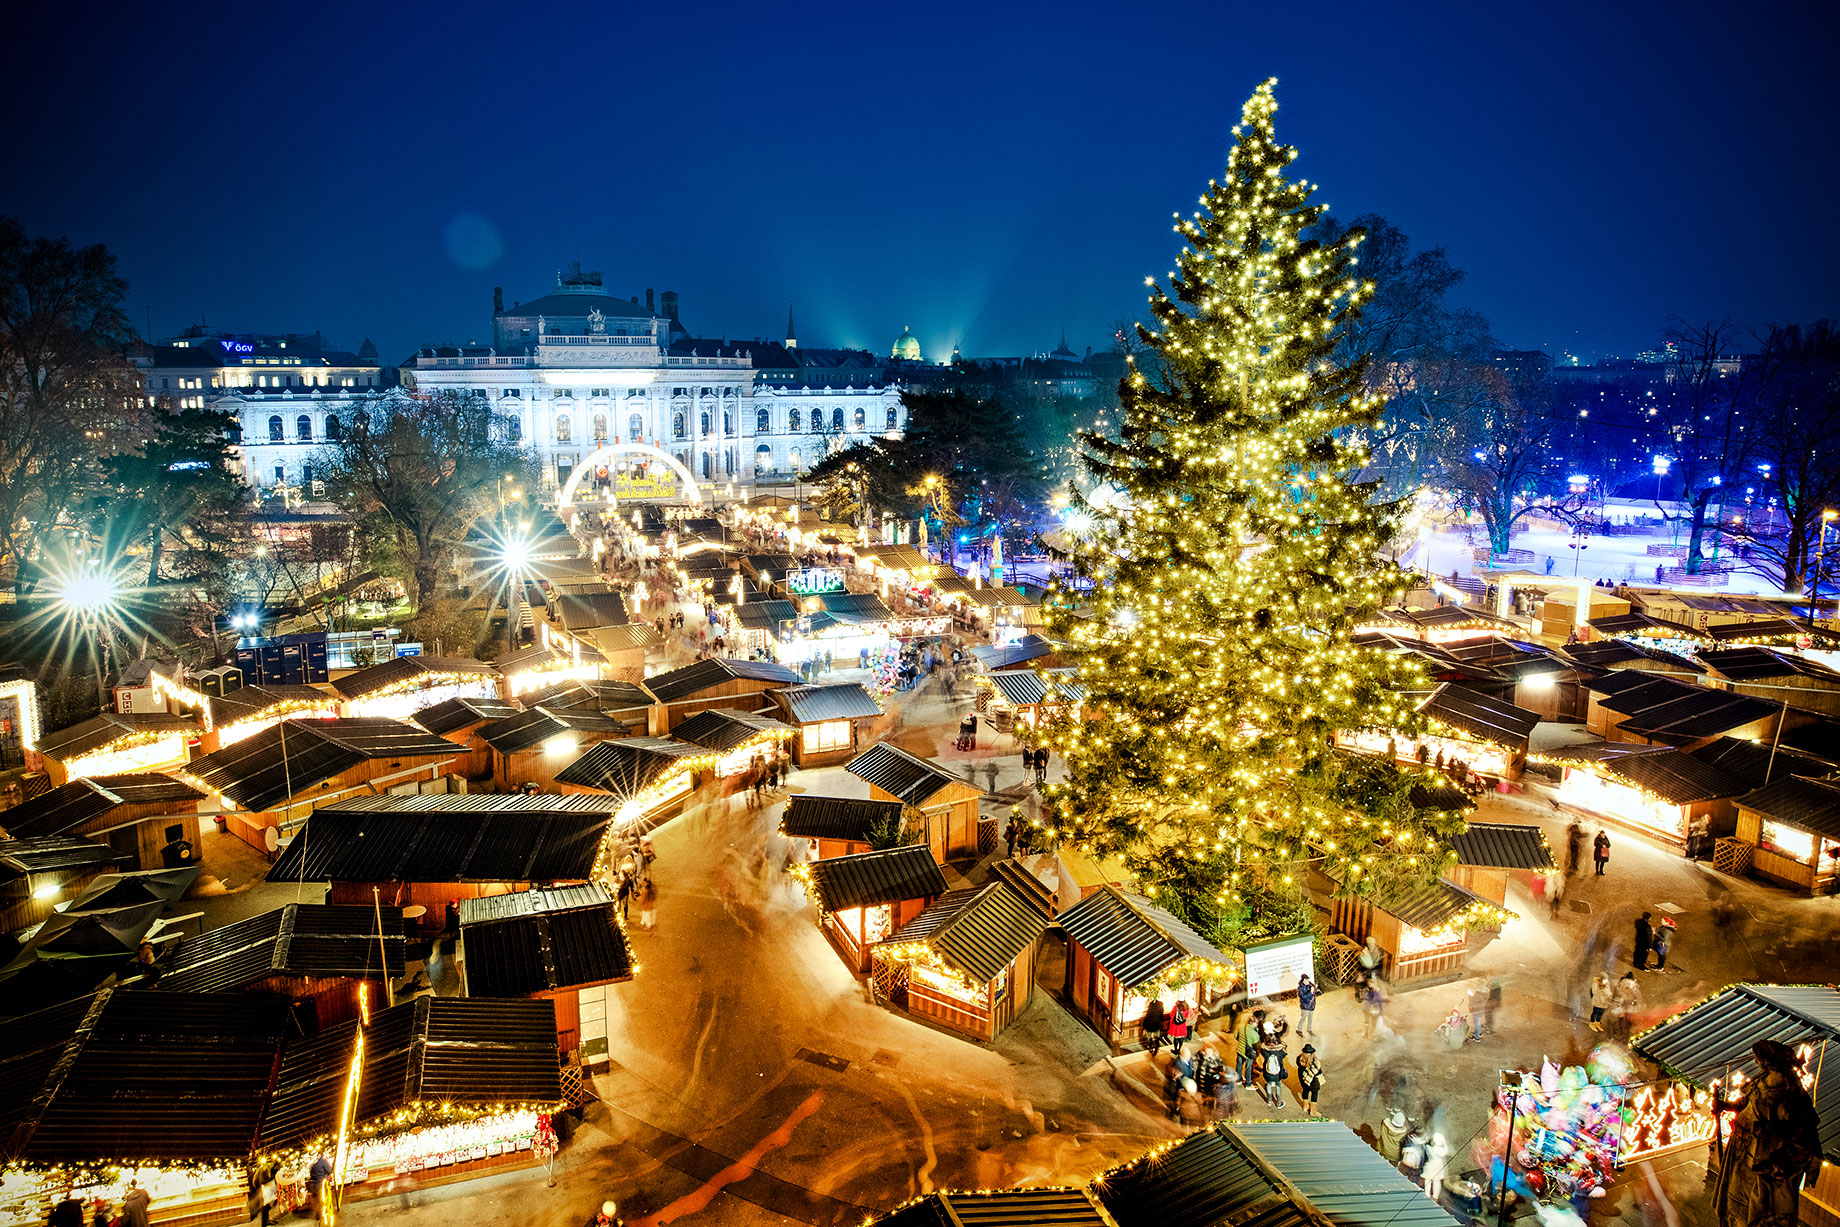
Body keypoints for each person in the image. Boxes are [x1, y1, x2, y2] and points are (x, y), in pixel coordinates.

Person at [1423, 1132, 1454, 1202]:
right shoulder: (1438, 1149)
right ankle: (1435, 1196)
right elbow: (1446, 1152)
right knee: (1436, 1181)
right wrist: (1445, 1145)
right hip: (1437, 1165)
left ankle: (1427, 1194)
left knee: (1427, 1180)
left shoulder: (1428, 1147)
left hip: (1429, 1164)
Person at [1258, 1035, 1288, 1107]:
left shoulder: (1265, 1051)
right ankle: (1278, 1103)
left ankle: (1269, 1101)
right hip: (1278, 1073)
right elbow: (1284, 1054)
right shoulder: (1280, 1051)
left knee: (1268, 1085)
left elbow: (1261, 1049)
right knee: (1278, 1086)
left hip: (1268, 1073)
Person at [1611, 971, 1641, 1041]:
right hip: (1624, 1006)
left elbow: (1635, 996)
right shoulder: (1622, 986)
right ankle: (1622, 1034)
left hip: (1627, 1006)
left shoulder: (1630, 986)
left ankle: (1623, 1034)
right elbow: (1616, 996)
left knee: (1626, 1020)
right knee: (1624, 1021)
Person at [1296, 1045, 1323, 1116]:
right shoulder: (1314, 1060)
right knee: (1314, 1093)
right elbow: (1318, 1071)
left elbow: (1299, 1067)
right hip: (1312, 1080)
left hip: (1303, 1079)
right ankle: (1313, 1111)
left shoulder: (1299, 1059)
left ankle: (1305, 1106)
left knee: (1305, 1090)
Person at [1237, 1010, 1264, 1085]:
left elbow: (1236, 1036)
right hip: (1249, 1051)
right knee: (1248, 1067)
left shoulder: (1241, 1026)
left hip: (1240, 1050)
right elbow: (1257, 1044)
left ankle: (1238, 1080)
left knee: (1239, 1065)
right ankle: (1248, 1084)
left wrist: (1242, 1041)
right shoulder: (1254, 1033)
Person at [306, 1153, 333, 1223]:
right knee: (322, 1199)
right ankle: (324, 1213)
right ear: (319, 1155)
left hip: (312, 1185)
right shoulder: (322, 1160)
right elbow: (329, 1170)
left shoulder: (311, 1162)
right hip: (320, 1183)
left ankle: (318, 1215)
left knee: (316, 1200)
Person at [1296, 974, 1317, 1038]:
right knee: (1303, 1018)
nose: (1308, 980)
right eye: (1307, 979)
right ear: (1304, 980)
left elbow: (1313, 994)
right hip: (1305, 1006)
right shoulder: (1300, 988)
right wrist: (1310, 992)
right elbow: (1303, 997)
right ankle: (1299, 1029)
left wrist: (1316, 990)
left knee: (1310, 1018)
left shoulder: (1310, 985)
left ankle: (1309, 1029)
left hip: (1311, 1005)